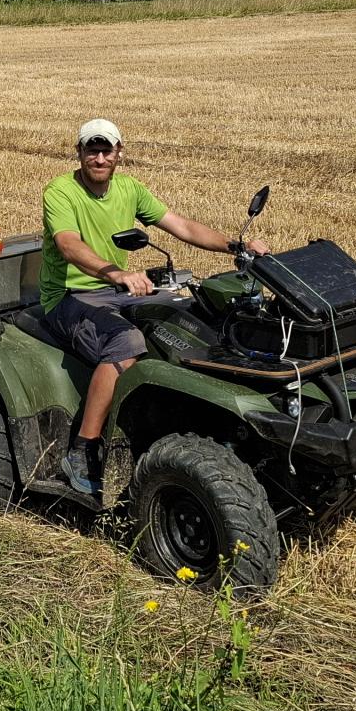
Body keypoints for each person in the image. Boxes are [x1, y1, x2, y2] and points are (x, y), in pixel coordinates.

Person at [41, 118, 269, 496]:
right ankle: (83, 449)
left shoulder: (129, 189)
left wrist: (235, 246)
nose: (99, 157)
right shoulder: (61, 191)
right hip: (71, 296)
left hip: (118, 288)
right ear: (79, 153)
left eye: (106, 150)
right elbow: (68, 244)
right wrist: (116, 273)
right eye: (91, 150)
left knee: (191, 318)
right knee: (125, 343)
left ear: (119, 153)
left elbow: (180, 225)